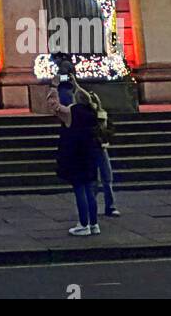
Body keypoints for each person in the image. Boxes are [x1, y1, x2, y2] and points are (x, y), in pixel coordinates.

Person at [47, 84, 103, 236]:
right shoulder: (92, 112)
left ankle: (83, 224)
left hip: (75, 155)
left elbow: (53, 105)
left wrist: (53, 86)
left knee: (80, 190)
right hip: (90, 155)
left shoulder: (71, 112)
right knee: (90, 191)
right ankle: (94, 224)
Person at [96, 97, 120, 217]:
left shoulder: (103, 114)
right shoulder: (85, 115)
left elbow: (111, 129)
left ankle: (110, 206)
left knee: (107, 177)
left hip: (101, 147)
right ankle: (93, 205)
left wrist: (105, 137)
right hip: (94, 148)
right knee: (96, 179)